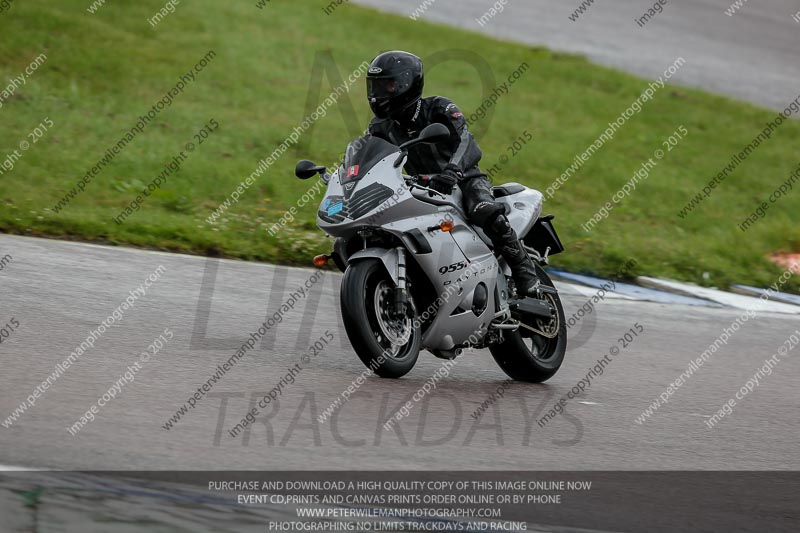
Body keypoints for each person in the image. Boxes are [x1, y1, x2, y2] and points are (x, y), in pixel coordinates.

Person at [365, 50, 540, 296]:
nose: (379, 94)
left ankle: (524, 270)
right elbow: (369, 156)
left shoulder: (439, 108)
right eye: (376, 86)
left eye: (388, 85)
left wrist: (452, 171)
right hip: (419, 186)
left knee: (485, 210)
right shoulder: (379, 126)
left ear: (407, 83)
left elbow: (465, 140)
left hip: (465, 180)